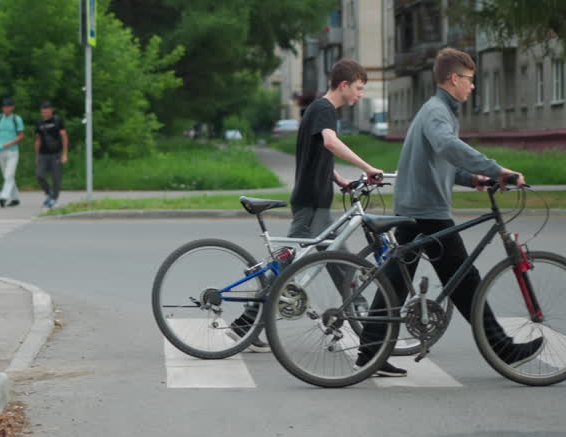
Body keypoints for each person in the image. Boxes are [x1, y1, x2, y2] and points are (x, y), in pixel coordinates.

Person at [357, 47, 543, 376]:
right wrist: (498, 170)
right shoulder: (437, 112)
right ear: (454, 78)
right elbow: (447, 146)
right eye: (470, 80)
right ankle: (501, 348)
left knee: (398, 280)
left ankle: (369, 353)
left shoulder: (438, 110)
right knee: (464, 280)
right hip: (426, 210)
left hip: (418, 206)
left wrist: (473, 178)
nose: (473, 87)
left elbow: (440, 161)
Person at [233, 59, 392, 363]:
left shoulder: (320, 111)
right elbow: (330, 143)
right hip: (310, 203)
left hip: (317, 201)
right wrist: (368, 168)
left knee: (338, 263)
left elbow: (315, 153)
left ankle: (355, 329)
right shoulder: (323, 110)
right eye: (359, 89)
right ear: (344, 85)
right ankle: (245, 325)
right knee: (293, 266)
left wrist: (339, 179)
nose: (359, 95)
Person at [0, 97, 25, 207]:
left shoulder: (16, 119)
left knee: (8, 175)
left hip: (12, 151)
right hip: (0, 150)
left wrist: (11, 142)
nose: (6, 108)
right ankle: (15, 199)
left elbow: (21, 135)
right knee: (7, 176)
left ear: (12, 107)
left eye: (8, 106)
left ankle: (3, 197)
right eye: (4, 106)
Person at [33, 101, 69, 207]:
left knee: (56, 177)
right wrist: (36, 156)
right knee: (39, 175)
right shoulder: (39, 123)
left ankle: (54, 199)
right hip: (43, 154)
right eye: (43, 112)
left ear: (51, 110)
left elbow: (64, 137)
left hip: (56, 154)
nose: (45, 114)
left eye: (47, 112)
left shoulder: (57, 121)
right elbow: (38, 140)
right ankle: (49, 193)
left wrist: (65, 154)